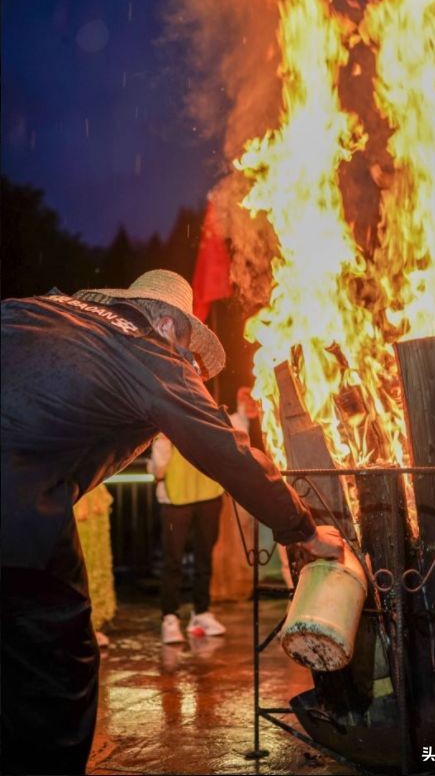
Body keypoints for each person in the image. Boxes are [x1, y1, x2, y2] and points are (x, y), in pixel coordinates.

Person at [1, 269, 342, 775]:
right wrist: (304, 529)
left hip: (27, 487)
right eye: (189, 351)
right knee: (55, 662)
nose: (192, 368)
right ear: (167, 325)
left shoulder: (38, 309)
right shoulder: (148, 350)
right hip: (17, 509)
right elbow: (227, 450)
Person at [148, 435, 226, 643]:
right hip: (174, 497)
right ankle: (170, 617)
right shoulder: (168, 425)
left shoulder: (206, 419)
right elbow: (159, 469)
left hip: (209, 493)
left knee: (204, 557)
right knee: (173, 559)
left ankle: (201, 612)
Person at [74, 483, 117, 648]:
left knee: (97, 561)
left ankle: (92, 624)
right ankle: (80, 625)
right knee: (79, 560)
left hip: (92, 496)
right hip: (72, 494)